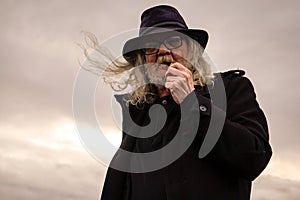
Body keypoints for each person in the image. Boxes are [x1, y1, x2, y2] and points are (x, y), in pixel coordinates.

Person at [85, 5, 272, 200]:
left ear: (191, 50)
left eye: (174, 41)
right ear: (143, 60)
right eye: (152, 45)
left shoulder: (229, 89)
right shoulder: (138, 113)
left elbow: (254, 158)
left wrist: (191, 103)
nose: (163, 51)